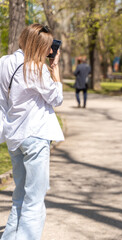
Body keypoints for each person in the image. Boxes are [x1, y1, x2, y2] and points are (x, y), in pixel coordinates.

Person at [0, 24, 64, 239]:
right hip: (35, 135)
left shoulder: (4, 62)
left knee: (19, 197)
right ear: (37, 46)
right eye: (47, 47)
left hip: (14, 136)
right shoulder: (36, 68)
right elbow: (56, 99)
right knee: (34, 202)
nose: (49, 51)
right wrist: (55, 71)